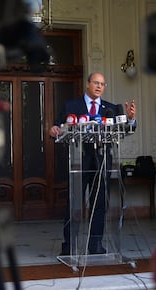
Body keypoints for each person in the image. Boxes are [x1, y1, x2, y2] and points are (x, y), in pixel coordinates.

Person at [49, 72, 136, 255]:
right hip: (79, 161)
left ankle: (96, 245)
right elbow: (56, 128)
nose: (99, 86)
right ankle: (69, 246)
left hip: (102, 160)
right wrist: (54, 129)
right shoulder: (72, 106)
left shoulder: (110, 108)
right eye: (96, 82)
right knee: (74, 204)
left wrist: (129, 119)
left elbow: (125, 128)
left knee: (99, 204)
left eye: (102, 84)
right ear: (87, 84)